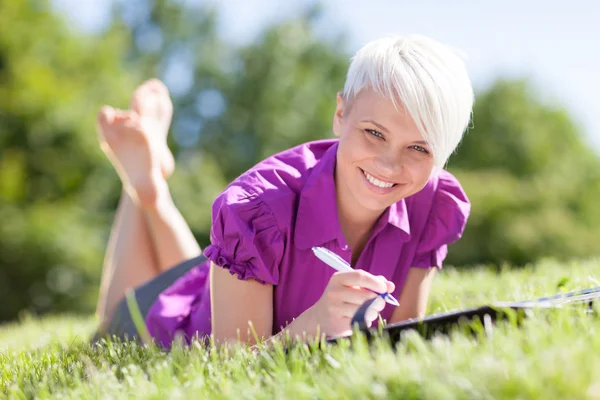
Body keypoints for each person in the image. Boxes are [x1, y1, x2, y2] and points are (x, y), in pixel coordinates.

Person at [93, 34, 473, 349]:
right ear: (341, 114)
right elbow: (231, 371)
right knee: (111, 324)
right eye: (374, 133)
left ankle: (151, 180)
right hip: (174, 322)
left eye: (419, 148)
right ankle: (141, 184)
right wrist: (317, 323)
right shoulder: (257, 207)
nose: (389, 165)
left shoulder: (434, 204)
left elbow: (402, 340)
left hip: (225, 275)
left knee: (201, 272)